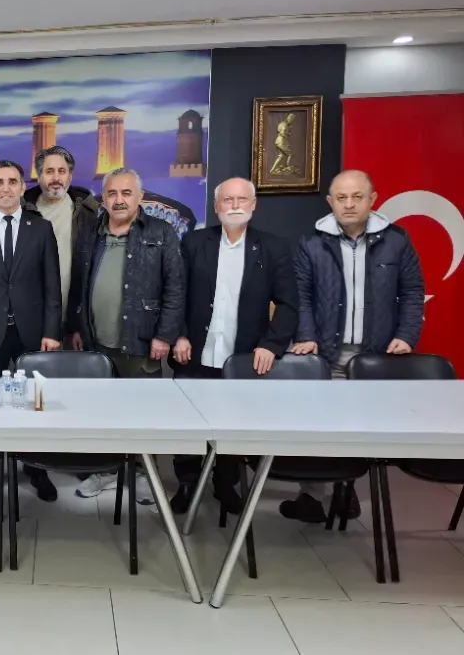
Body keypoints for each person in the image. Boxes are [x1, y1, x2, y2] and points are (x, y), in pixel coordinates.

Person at [287, 169, 424, 522]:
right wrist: (306, 335)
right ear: (330, 201)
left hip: (377, 355)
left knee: (360, 427)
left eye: (357, 197)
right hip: (326, 353)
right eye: (341, 198)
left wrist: (407, 334)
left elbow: (412, 291)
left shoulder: (397, 240)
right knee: (318, 426)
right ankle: (312, 496)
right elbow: (301, 296)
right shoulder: (311, 243)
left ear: (372, 199)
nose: (349, 204)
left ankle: (345, 492)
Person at [169, 177, 299, 514]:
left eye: (242, 199)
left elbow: (289, 304)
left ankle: (225, 484)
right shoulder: (194, 242)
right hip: (194, 352)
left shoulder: (273, 248)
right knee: (188, 422)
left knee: (233, 424)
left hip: (243, 357)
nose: (235, 205)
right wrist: (178, 334)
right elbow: (176, 293)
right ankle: (187, 483)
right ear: (216, 206)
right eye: (227, 200)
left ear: (253, 205)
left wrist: (271, 344)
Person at [69, 168, 184, 504]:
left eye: (126, 193)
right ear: (104, 199)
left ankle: (145, 475)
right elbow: (79, 283)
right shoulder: (91, 232)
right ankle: (107, 469)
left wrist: (164, 335)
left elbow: (176, 289)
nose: (119, 200)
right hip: (97, 342)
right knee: (102, 412)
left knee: (144, 413)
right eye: (112, 194)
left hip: (141, 342)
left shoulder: (161, 232)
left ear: (140, 197)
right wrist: (76, 327)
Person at [0, 160, 62, 502]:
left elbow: (52, 286)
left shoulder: (41, 228)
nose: (6, 187)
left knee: (34, 404)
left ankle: (36, 468)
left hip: (32, 333)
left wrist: (52, 331)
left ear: (22, 188)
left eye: (12, 181)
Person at [23, 145, 100, 322]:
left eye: (62, 171)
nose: (56, 178)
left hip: (73, 318)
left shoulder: (87, 213)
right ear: (39, 176)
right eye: (49, 171)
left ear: (70, 176)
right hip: (32, 318)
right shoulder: (22, 212)